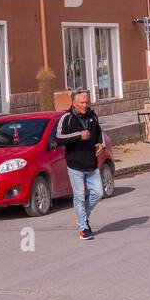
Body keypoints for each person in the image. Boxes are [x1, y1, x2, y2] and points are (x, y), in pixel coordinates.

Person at [54, 90, 105, 240]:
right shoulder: (66, 118)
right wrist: (78, 136)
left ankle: (81, 216)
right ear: (74, 103)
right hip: (75, 165)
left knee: (98, 193)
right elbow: (58, 138)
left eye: (86, 102)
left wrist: (101, 144)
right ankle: (84, 228)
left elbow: (100, 132)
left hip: (91, 163)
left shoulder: (92, 116)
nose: (85, 105)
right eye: (82, 103)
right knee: (79, 196)